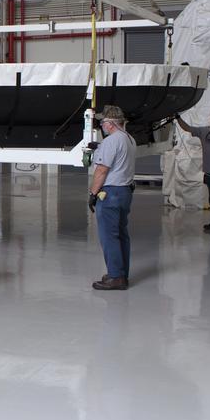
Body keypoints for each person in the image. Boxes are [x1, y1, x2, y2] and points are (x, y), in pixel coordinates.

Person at [89, 105, 136, 291]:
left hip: (110, 194)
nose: (101, 126)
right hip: (125, 192)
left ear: (110, 124)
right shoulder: (129, 139)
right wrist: (100, 147)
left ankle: (116, 277)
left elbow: (102, 170)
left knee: (109, 237)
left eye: (102, 123)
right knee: (121, 235)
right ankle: (121, 273)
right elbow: (119, 158)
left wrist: (93, 194)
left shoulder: (111, 141)